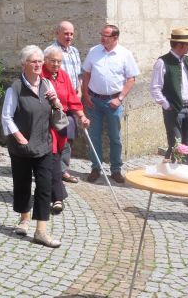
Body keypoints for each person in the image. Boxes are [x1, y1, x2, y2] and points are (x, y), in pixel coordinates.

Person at [1, 45, 62, 248]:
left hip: (43, 144)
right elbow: (6, 117)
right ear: (24, 64)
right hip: (22, 147)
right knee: (22, 184)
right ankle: (24, 218)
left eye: (40, 61)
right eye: (33, 61)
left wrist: (56, 103)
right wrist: (19, 137)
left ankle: (41, 231)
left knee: (44, 186)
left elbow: (57, 114)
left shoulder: (47, 84)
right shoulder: (15, 88)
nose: (38, 65)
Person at [81, 24, 139, 183]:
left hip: (113, 102)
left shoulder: (125, 54)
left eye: (106, 36)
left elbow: (131, 79)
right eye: (101, 34)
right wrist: (85, 94)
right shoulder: (94, 51)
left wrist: (119, 98)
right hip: (94, 100)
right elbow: (86, 74)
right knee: (94, 136)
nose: (102, 38)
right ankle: (95, 168)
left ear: (115, 38)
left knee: (115, 138)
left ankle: (116, 170)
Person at [42, 45, 89, 213]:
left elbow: (72, 98)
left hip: (61, 123)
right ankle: (58, 197)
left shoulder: (63, 75)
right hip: (45, 124)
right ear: (45, 60)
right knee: (53, 157)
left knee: (57, 156)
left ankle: (49, 191)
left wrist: (82, 116)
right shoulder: (40, 76)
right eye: (53, 61)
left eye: (59, 61)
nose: (56, 64)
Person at [150, 27, 188, 165]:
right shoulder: (162, 62)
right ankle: (173, 172)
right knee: (176, 145)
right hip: (174, 109)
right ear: (180, 45)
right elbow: (155, 88)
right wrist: (167, 105)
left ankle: (187, 170)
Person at [46, 20, 83, 183]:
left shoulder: (74, 51)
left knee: (69, 136)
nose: (69, 37)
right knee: (54, 138)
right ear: (57, 34)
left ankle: (62, 169)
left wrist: (79, 91)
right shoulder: (51, 52)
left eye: (71, 34)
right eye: (66, 33)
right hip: (55, 104)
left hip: (72, 101)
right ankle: (52, 169)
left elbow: (78, 75)